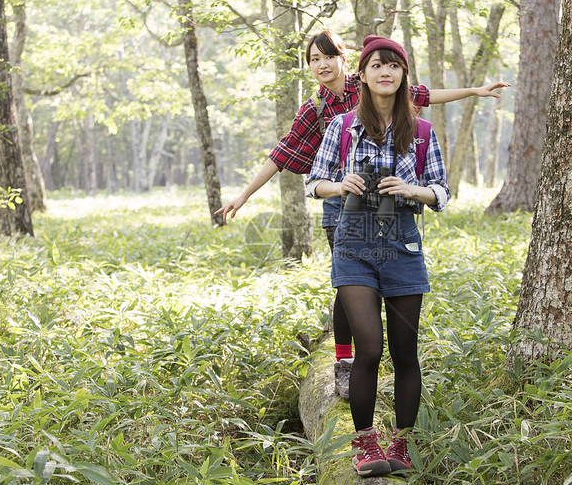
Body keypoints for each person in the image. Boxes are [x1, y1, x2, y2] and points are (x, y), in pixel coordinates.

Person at [216, 30, 508, 400]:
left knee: (380, 288)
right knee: (349, 285)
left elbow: (425, 96)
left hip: (389, 209)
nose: (322, 65)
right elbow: (281, 154)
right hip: (342, 204)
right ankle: (344, 360)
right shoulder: (315, 110)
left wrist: (473, 91)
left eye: (328, 57)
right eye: (314, 60)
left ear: (343, 59)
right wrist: (242, 197)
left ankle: (369, 360)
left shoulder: (370, 80)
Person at [306, 35, 449, 477]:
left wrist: (411, 190)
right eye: (376, 66)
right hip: (353, 246)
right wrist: (340, 185)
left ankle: (401, 447)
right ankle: (366, 444)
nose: (385, 72)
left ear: (404, 74)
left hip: (402, 244)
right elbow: (313, 182)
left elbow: (442, 192)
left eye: (394, 66)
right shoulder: (342, 126)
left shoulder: (421, 131)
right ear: (362, 76)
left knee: (406, 352)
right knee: (369, 347)